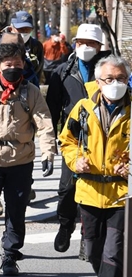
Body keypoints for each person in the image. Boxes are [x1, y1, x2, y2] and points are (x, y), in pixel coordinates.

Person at [0, 42, 56, 276]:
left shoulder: (31, 92)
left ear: (24, 65)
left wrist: (48, 152)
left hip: (21, 159)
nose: (13, 68)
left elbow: (44, 122)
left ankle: (10, 256)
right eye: (8, 65)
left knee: (16, 210)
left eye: (18, 64)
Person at [59, 55, 129, 277]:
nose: (115, 84)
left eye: (121, 78)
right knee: (95, 251)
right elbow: (66, 140)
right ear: (98, 81)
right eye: (109, 79)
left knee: (113, 250)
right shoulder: (84, 108)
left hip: (121, 195)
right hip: (88, 191)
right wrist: (76, 159)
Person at [46, 23, 111, 254]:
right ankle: (65, 225)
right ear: (75, 44)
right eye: (81, 43)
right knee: (66, 188)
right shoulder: (62, 72)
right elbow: (53, 108)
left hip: (102, 138)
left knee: (92, 189)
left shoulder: (109, 71)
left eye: (91, 44)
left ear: (99, 46)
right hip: (72, 138)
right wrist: (50, 140)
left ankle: (88, 236)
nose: (85, 47)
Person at [10, 11, 44, 86]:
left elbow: (38, 72)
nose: (24, 32)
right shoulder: (2, 44)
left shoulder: (36, 46)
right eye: (21, 29)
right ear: (12, 28)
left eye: (28, 29)